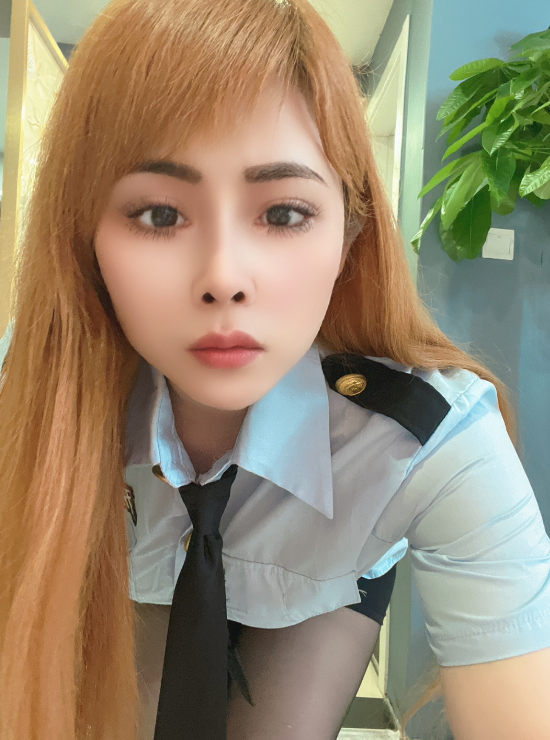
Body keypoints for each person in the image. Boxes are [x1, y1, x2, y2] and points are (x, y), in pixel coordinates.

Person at [0, 0, 549, 739]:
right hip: (142, 566)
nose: (224, 278)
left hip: (322, 571)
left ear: (349, 234)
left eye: (284, 213)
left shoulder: (427, 442)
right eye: (159, 215)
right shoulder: (27, 395)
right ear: (84, 237)